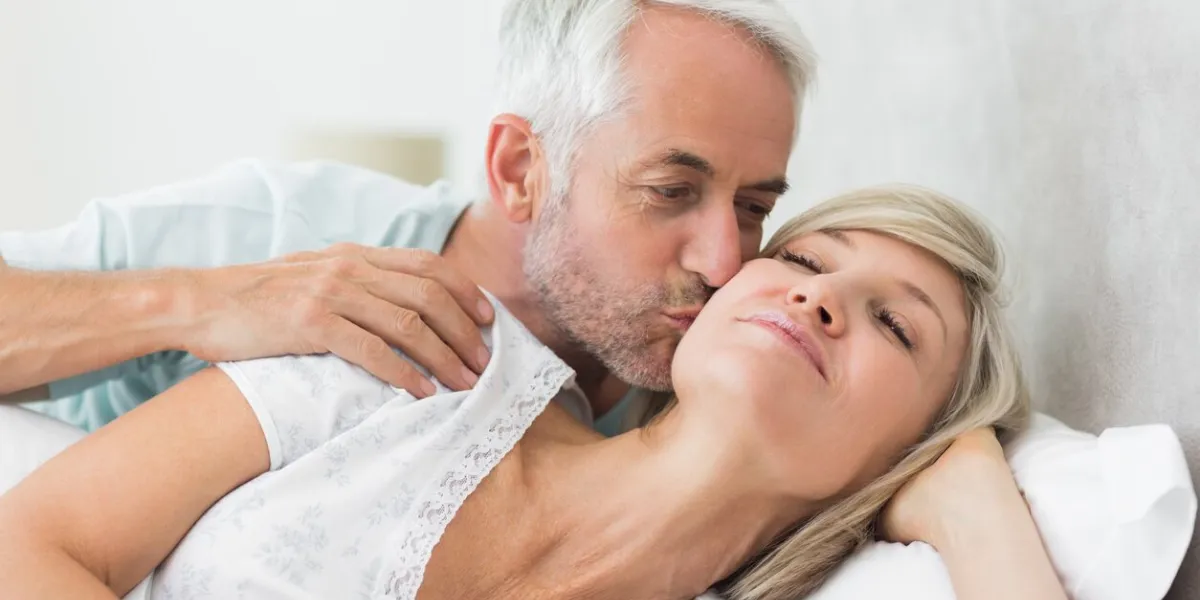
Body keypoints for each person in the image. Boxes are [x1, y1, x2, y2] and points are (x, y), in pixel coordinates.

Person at [0, 186, 1067, 600]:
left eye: (895, 326)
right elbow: (35, 544)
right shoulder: (422, 356)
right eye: (807, 258)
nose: (822, 300)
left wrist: (975, 504)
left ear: (907, 451)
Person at [0, 0, 813, 437]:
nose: (723, 263)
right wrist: (202, 306)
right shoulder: (281, 227)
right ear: (520, 171)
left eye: (753, 207)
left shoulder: (720, 381)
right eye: (670, 190)